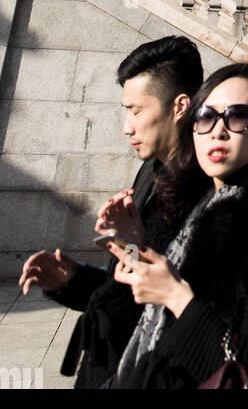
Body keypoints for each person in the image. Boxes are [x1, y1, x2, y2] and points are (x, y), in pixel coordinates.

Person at [107, 63, 248, 390]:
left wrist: (176, 296)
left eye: (237, 116)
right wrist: (133, 245)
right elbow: (151, 309)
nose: (218, 130)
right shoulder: (206, 201)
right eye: (205, 116)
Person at [18, 35, 204, 389]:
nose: (126, 126)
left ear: (179, 107)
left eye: (136, 111)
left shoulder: (202, 190)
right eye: (126, 111)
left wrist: (131, 248)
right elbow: (125, 283)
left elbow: (161, 307)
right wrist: (71, 279)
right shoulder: (152, 168)